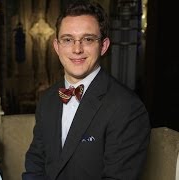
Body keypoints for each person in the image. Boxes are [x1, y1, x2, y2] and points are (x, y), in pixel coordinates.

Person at [22, 1, 151, 180]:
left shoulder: (128, 107)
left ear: (103, 46)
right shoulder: (48, 98)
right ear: (57, 46)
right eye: (68, 40)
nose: (77, 49)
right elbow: (36, 162)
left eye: (88, 39)